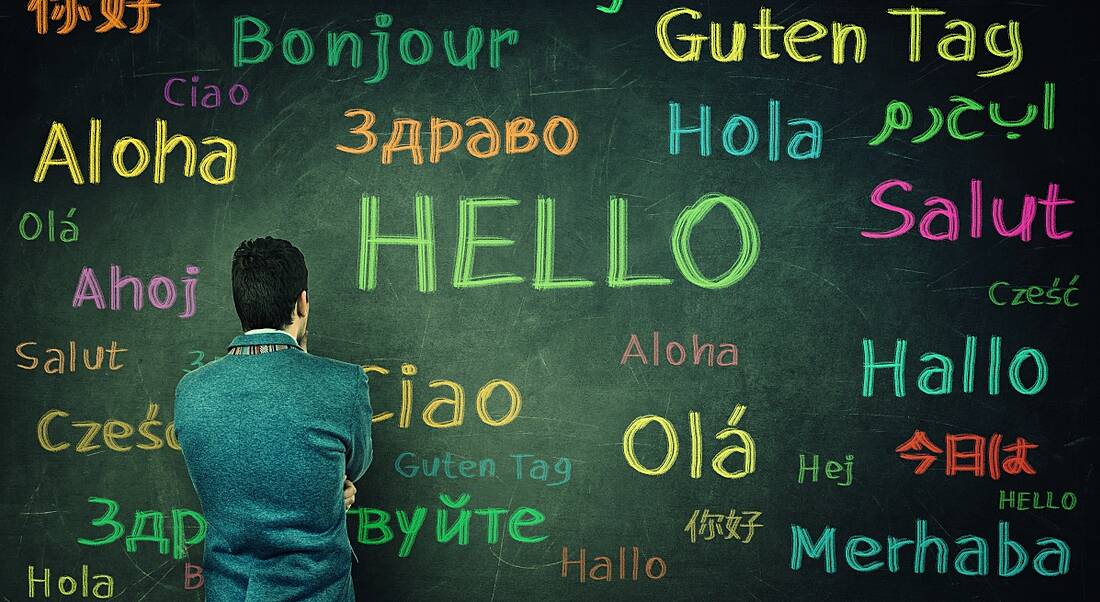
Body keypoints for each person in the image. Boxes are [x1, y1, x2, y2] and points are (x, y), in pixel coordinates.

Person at [175, 237, 373, 601]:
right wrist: (328, 488)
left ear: (242, 305)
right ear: (302, 302)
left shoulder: (191, 390)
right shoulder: (343, 383)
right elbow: (354, 467)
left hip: (229, 592)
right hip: (318, 591)